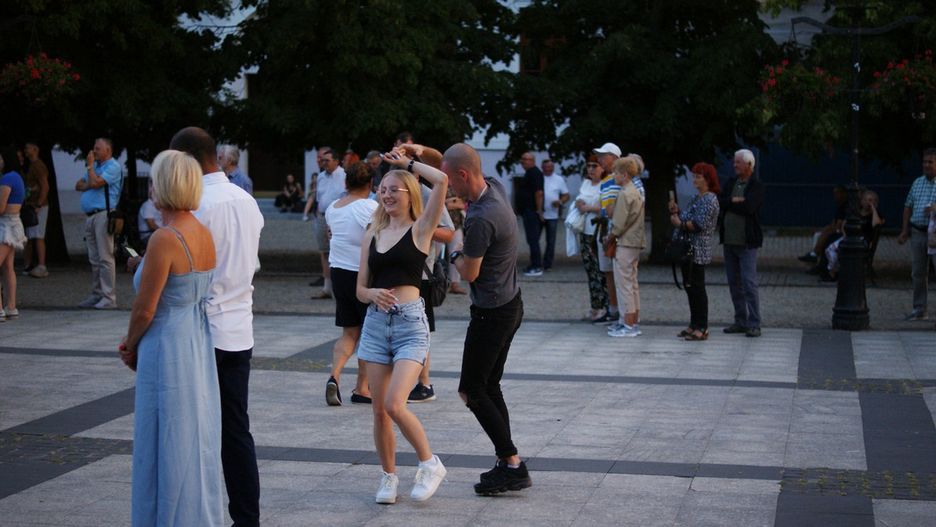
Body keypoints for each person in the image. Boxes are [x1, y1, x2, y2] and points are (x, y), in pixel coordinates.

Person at [118, 149, 222, 526]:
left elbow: (145, 309)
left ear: (163, 185)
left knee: (165, 434)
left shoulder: (165, 237)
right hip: (196, 340)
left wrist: (129, 345)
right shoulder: (203, 232)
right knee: (193, 433)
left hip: (166, 342)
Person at [170, 127, 264, 527]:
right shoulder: (247, 201)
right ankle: (246, 518)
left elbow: (185, 271)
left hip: (203, 330)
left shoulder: (196, 206)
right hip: (239, 327)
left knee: (194, 433)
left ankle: (197, 513)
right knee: (236, 431)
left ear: (189, 161)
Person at [355, 148, 448, 504]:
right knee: (379, 411)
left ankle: (429, 463)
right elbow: (360, 288)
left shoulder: (421, 228)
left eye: (395, 189)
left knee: (396, 404)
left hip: (410, 325)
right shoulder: (372, 232)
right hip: (376, 326)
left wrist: (406, 164)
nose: (387, 194)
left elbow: (441, 180)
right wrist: (372, 294)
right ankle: (388, 478)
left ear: (410, 193)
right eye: (383, 189)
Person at [444, 143, 532, 496]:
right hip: (510, 304)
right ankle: (507, 462)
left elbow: (469, 272)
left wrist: (453, 249)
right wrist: (415, 155)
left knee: (471, 390)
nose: (447, 188)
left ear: (463, 175)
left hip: (492, 313)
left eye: (450, 181)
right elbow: (451, 160)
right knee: (490, 386)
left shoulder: (481, 218)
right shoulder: (494, 186)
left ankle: (512, 463)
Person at [324, 161, 376, 406]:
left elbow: (332, 235)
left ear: (346, 182)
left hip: (338, 272)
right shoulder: (370, 207)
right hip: (362, 275)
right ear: (371, 183)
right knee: (368, 333)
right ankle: (362, 388)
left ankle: (334, 375)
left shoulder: (333, 208)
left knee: (349, 332)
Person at [668, 162, 721, 341]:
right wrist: (678, 213)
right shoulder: (697, 197)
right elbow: (688, 217)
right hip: (688, 249)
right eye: (694, 176)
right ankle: (694, 324)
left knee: (698, 288)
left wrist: (680, 224)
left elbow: (698, 224)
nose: (694, 180)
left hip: (698, 249)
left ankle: (702, 326)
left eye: (698, 177)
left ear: (707, 179)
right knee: (690, 286)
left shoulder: (709, 199)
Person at [719, 148, 765, 338]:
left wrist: (732, 202)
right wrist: (735, 200)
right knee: (734, 283)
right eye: (735, 162)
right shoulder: (731, 183)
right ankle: (740, 320)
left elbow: (749, 207)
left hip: (746, 242)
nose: (734, 165)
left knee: (748, 283)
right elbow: (721, 202)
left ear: (749, 165)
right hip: (729, 241)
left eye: (738, 162)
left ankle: (754, 322)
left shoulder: (756, 186)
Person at [75, 138, 123, 310]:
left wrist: (90, 171)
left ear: (108, 150)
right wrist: (92, 180)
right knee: (94, 258)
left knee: (105, 257)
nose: (94, 151)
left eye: (97, 148)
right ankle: (97, 294)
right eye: (94, 148)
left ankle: (109, 297)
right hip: (91, 216)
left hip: (104, 215)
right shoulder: (96, 166)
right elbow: (78, 185)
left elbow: (95, 183)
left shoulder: (113, 167)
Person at [607, 156, 645, 338]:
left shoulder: (624, 193)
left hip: (625, 242)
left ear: (624, 174)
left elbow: (619, 223)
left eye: (615, 172)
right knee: (632, 283)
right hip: (634, 241)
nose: (614, 176)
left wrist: (610, 237)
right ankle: (632, 321)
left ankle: (627, 324)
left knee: (624, 284)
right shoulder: (635, 191)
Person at [897, 148, 936, 321]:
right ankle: (919, 309)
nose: (926, 165)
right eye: (924, 161)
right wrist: (904, 230)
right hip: (918, 231)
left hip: (935, 233)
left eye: (930, 162)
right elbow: (908, 206)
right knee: (918, 272)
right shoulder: (917, 182)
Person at [304, 149, 346, 299]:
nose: (324, 163)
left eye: (327, 160)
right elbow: (319, 198)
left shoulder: (344, 176)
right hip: (322, 217)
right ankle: (327, 287)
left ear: (336, 161)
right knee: (324, 251)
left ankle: (338, 287)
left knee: (337, 251)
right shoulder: (321, 176)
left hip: (337, 217)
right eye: (322, 160)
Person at [575, 155, 608, 321]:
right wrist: (582, 205)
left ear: (602, 168)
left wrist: (587, 207)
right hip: (585, 230)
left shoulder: (606, 184)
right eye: (588, 166)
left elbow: (605, 207)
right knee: (590, 270)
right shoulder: (586, 183)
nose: (591, 169)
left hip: (599, 231)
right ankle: (595, 305)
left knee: (601, 270)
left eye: (594, 166)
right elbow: (578, 200)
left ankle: (606, 306)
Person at [592, 142, 623, 325]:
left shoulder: (623, 180)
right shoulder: (604, 182)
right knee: (608, 272)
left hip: (616, 233)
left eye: (604, 156)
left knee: (619, 274)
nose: (600, 159)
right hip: (604, 231)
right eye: (599, 156)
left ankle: (624, 313)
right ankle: (613, 310)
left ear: (615, 158)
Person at [826, 190, 884, 281]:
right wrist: (845, 235)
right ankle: (833, 271)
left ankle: (835, 273)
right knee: (830, 249)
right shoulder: (856, 213)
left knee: (844, 250)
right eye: (867, 200)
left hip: (863, 241)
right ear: (862, 201)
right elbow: (845, 224)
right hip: (849, 237)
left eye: (872, 200)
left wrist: (873, 209)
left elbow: (876, 224)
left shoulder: (876, 214)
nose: (869, 203)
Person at [0, 148, 26, 322]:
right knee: (8, 267)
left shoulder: (6, 178)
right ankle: (11, 307)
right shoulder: (16, 177)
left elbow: (1, 208)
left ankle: (0, 309)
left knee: (6, 267)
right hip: (15, 223)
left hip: (6, 226)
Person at [798, 185, 847, 266]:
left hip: (841, 232)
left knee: (826, 234)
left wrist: (831, 229)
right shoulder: (840, 206)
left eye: (837, 193)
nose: (835, 196)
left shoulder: (845, 207)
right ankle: (815, 256)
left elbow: (838, 225)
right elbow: (834, 222)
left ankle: (815, 254)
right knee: (818, 234)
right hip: (836, 230)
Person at [22, 142, 50, 278]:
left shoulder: (38, 166)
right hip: (31, 205)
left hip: (38, 206)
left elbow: (45, 186)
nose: (25, 150)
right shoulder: (32, 165)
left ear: (35, 149)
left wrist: (39, 204)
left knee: (38, 235)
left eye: (27, 148)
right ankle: (29, 265)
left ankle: (42, 265)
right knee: (30, 236)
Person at [515, 152, 545, 276]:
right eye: (522, 159)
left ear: (532, 160)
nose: (523, 161)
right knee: (531, 239)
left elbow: (539, 193)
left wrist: (539, 210)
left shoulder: (535, 173)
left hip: (532, 211)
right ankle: (534, 263)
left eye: (526, 159)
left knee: (533, 239)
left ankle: (537, 266)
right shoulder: (529, 173)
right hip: (528, 211)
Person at [541, 158, 569, 272]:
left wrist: (560, 202)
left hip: (552, 215)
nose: (549, 169)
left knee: (551, 241)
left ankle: (547, 264)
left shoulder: (559, 179)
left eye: (551, 167)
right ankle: (536, 262)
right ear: (542, 168)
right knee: (534, 240)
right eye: (546, 167)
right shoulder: (539, 178)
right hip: (539, 214)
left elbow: (566, 195)